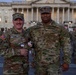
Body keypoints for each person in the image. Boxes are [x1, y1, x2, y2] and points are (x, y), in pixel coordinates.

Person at [25, 6, 71, 75]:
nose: (45, 15)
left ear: (50, 14)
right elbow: (22, 38)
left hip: (54, 65)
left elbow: (66, 45)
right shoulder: (33, 29)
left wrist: (66, 61)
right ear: (41, 15)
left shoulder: (59, 28)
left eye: (47, 13)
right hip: (39, 65)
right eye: (43, 14)